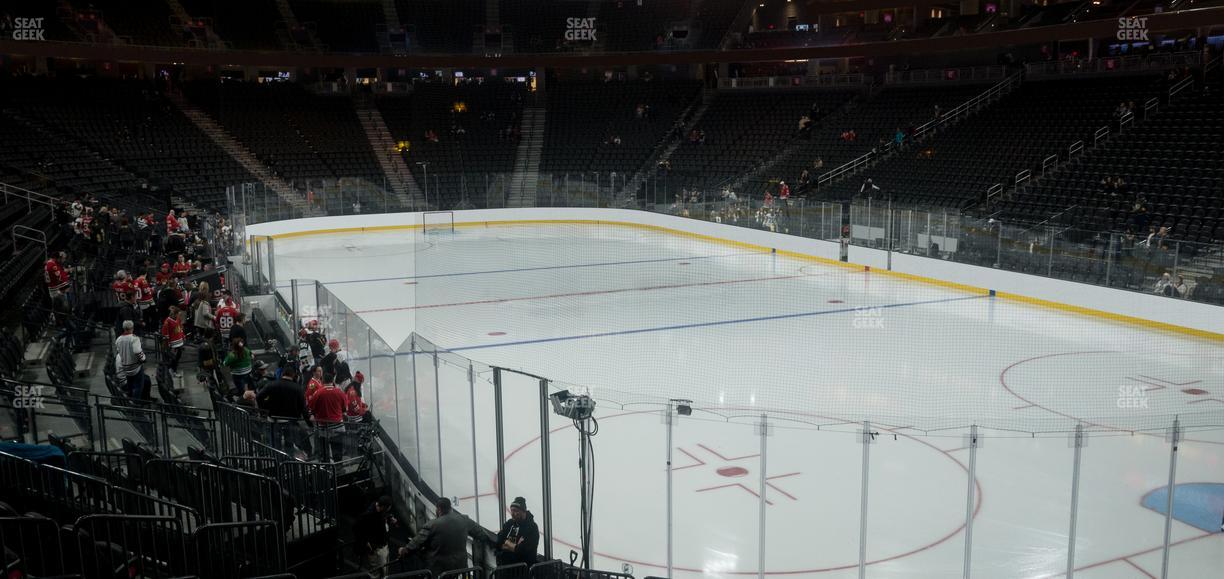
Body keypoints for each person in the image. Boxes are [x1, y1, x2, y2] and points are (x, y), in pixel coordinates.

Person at [398, 499, 482, 577]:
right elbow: (479, 532)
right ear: (450, 508)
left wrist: (404, 550)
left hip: (438, 570)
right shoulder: (464, 519)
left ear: (439, 509)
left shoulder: (432, 525)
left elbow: (416, 543)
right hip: (460, 567)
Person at [308, 375, 347, 461]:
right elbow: (344, 409)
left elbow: (311, 408)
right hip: (338, 426)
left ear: (322, 381)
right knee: (337, 449)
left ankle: (326, 468)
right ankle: (338, 467)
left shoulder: (317, 393)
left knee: (324, 451)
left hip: (323, 427)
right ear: (332, 380)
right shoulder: (339, 392)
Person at [354, 496, 399, 571]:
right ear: (383, 507)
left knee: (384, 571)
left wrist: (388, 520)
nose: (387, 511)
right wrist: (365, 542)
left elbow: (380, 522)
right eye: (387, 509)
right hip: (376, 549)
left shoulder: (380, 511)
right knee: (378, 573)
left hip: (383, 545)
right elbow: (356, 528)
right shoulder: (368, 515)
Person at [495, 497, 540, 566]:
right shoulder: (509, 523)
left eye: (516, 511)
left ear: (523, 511)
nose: (512, 513)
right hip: (505, 567)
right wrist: (514, 546)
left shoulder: (532, 527)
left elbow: (523, 551)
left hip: (523, 569)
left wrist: (506, 543)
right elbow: (499, 542)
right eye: (512, 510)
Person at [115, 320, 148, 399]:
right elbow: (137, 351)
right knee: (138, 386)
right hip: (135, 367)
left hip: (125, 367)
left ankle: (130, 402)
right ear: (132, 328)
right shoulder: (134, 338)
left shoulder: (118, 339)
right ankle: (136, 405)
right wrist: (143, 358)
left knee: (130, 386)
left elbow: (119, 352)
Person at [160, 306, 186, 379]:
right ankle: (172, 371)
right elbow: (165, 336)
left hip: (179, 342)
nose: (179, 315)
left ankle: (173, 370)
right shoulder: (167, 322)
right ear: (174, 314)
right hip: (173, 345)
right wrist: (167, 345)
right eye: (178, 314)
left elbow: (180, 328)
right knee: (173, 359)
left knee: (177, 358)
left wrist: (183, 336)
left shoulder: (178, 319)